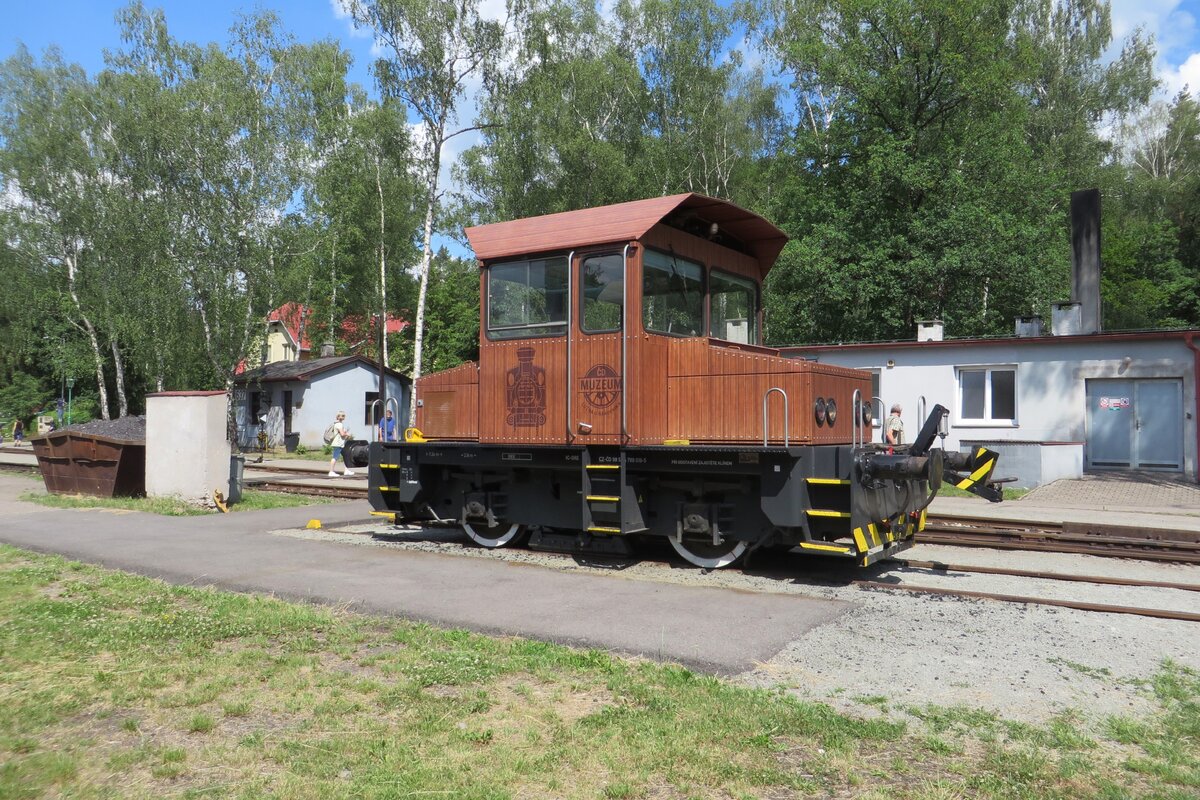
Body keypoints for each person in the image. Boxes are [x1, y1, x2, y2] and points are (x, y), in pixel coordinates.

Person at [328, 411, 355, 477]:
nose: (342, 417)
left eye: (343, 416)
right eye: (342, 416)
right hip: (338, 443)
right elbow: (342, 434)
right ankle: (331, 471)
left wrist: (344, 432)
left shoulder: (337, 424)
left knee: (345, 456)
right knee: (335, 457)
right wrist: (347, 434)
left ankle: (346, 470)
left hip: (339, 442)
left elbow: (340, 433)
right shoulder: (340, 424)